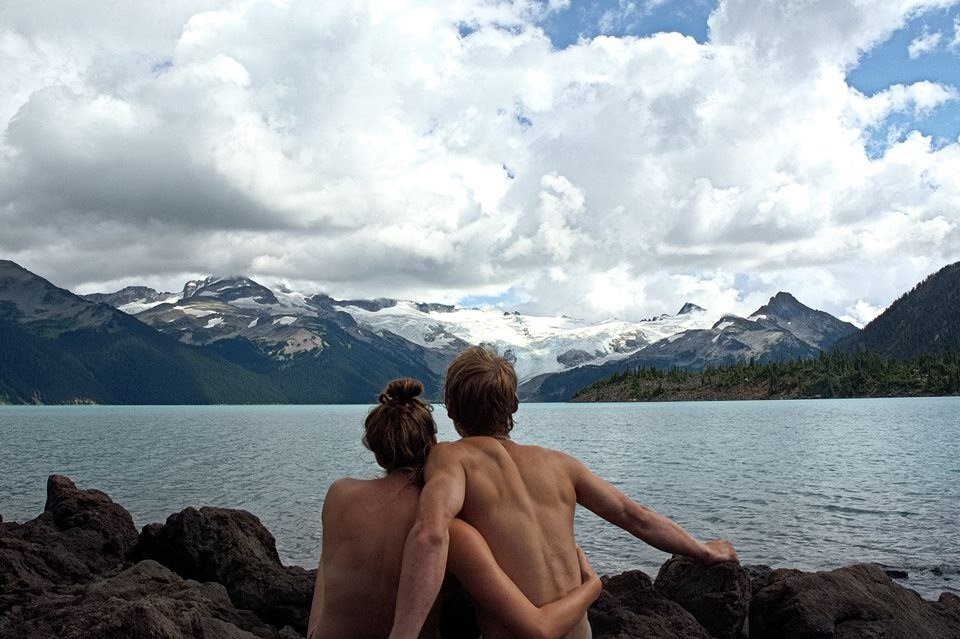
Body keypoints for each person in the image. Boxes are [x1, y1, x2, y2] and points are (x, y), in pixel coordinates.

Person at [390, 347, 739, 639]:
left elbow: (432, 532)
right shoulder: (561, 464)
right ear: (514, 405)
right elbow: (635, 516)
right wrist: (703, 550)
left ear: (450, 408)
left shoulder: (451, 457)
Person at [307, 378, 602, 639]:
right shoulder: (454, 528)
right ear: (433, 443)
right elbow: (537, 627)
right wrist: (591, 585)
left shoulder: (339, 495)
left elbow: (326, 576)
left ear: (377, 453)